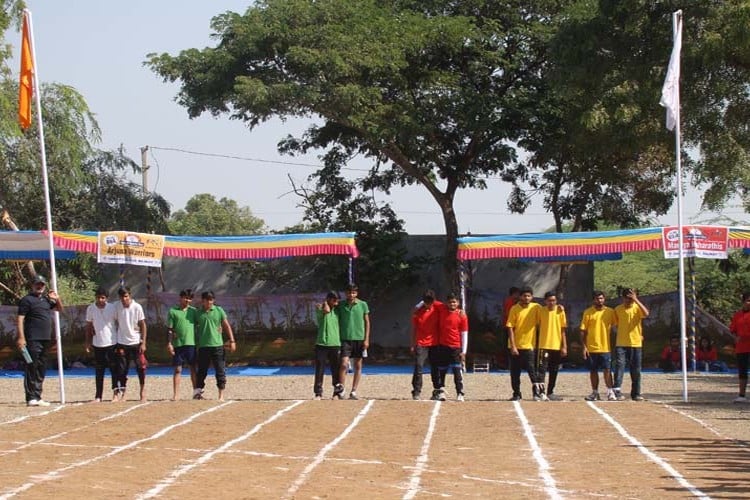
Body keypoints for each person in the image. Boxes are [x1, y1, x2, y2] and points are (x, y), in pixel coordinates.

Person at [16, 275, 64, 406]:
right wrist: (21, 337)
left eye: (42, 284)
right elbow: (20, 319)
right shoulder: (26, 300)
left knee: (42, 367)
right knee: (32, 366)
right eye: (37, 284)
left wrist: (57, 298)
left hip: (45, 338)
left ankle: (38, 395)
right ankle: (30, 397)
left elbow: (60, 309)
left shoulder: (46, 300)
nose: (39, 286)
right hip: (32, 338)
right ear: (32, 285)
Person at [194, 291, 236, 401]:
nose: (209, 302)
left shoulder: (219, 310)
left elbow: (226, 326)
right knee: (202, 371)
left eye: (211, 299)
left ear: (214, 300)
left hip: (218, 346)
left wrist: (232, 341)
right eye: (206, 299)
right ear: (202, 301)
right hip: (203, 346)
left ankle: (221, 395)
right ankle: (198, 393)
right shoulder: (197, 313)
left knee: (220, 370)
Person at [506, 287, 543, 401]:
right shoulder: (514, 308)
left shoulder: (536, 307)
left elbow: (547, 313)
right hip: (516, 346)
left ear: (532, 297)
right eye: (524, 296)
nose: (526, 298)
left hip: (530, 346)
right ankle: (516, 393)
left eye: (529, 296)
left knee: (532, 370)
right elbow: (510, 327)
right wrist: (513, 346)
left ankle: (536, 393)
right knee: (515, 371)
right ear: (520, 297)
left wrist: (559, 308)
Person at [613, 288, 650, 401]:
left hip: (635, 343)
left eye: (631, 298)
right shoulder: (617, 309)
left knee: (636, 370)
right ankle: (617, 391)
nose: (629, 301)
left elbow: (646, 313)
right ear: (623, 298)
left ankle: (636, 393)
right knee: (620, 367)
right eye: (627, 298)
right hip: (621, 343)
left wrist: (636, 300)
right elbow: (616, 325)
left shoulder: (637, 307)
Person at [580, 290, 617, 401]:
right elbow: (583, 330)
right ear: (593, 300)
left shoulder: (610, 312)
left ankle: (610, 392)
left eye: (601, 298)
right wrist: (584, 347)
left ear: (604, 299)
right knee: (593, 371)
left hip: (605, 347)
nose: (599, 300)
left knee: (607, 370)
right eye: (597, 298)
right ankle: (595, 392)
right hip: (591, 348)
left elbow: (617, 327)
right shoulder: (588, 312)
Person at [336, 283, 370, 400]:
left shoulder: (363, 305)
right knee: (344, 364)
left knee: (358, 365)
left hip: (359, 339)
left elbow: (367, 322)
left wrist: (366, 339)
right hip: (345, 339)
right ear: (346, 293)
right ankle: (341, 389)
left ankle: (354, 391)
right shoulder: (341, 305)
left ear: (357, 293)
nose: (351, 294)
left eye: (354, 292)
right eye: (349, 292)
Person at [113, 286, 148, 402]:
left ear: (130, 295)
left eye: (126, 296)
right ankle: (123, 392)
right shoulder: (116, 306)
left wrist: (143, 342)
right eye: (122, 297)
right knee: (122, 369)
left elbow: (143, 324)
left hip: (135, 342)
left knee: (140, 367)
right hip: (122, 342)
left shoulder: (137, 307)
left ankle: (142, 391)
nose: (124, 299)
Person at [433, 293, 469, 402]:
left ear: (458, 303)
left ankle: (460, 392)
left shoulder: (461, 315)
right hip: (443, 346)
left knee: (457, 370)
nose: (452, 304)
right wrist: (418, 306)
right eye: (450, 302)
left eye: (454, 302)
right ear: (446, 303)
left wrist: (464, 351)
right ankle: (441, 391)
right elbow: (429, 300)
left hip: (455, 347)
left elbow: (464, 333)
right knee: (442, 370)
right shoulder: (442, 309)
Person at [84, 287, 117, 402]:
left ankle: (115, 394)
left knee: (114, 369)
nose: (101, 300)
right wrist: (88, 343)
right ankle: (98, 396)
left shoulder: (112, 308)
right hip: (98, 343)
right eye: (98, 297)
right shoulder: (91, 308)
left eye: (103, 298)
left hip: (112, 342)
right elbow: (88, 326)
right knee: (99, 371)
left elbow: (119, 322)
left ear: (106, 298)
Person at [167, 289, 198, 401]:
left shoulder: (194, 311)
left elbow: (203, 322)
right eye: (185, 297)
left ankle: (196, 393)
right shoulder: (173, 311)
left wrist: (218, 327)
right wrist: (170, 343)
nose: (187, 300)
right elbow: (170, 329)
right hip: (178, 344)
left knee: (193, 368)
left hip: (191, 344)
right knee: (178, 369)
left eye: (189, 298)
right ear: (180, 298)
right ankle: (176, 395)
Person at [411, 290, 441, 400]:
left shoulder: (438, 309)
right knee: (419, 366)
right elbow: (414, 328)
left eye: (430, 301)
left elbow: (449, 306)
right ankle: (416, 391)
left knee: (435, 367)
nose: (428, 303)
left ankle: (437, 390)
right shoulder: (418, 312)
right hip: (421, 343)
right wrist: (413, 343)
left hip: (434, 343)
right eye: (426, 301)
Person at [537, 291, 567, 401]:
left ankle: (550, 392)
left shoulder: (560, 312)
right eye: (549, 300)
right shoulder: (540, 311)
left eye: (554, 300)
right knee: (542, 370)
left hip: (556, 345)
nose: (552, 302)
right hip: (544, 345)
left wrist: (564, 346)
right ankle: (541, 392)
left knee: (554, 370)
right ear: (545, 301)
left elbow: (563, 330)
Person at [314, 291, 341, 400]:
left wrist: (333, 304)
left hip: (335, 343)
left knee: (335, 369)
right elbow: (326, 310)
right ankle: (318, 393)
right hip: (322, 343)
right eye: (334, 299)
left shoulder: (338, 311)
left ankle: (336, 392)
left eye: (337, 300)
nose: (336, 302)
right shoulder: (320, 309)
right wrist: (325, 303)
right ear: (328, 299)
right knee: (320, 368)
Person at [729, 292, 750, 403]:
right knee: (742, 371)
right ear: (743, 302)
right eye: (748, 300)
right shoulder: (737, 315)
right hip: (742, 347)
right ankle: (742, 395)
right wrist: (735, 337)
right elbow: (732, 330)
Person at [499, 287, 521, 369]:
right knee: (508, 345)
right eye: (518, 294)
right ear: (514, 293)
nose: (519, 296)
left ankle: (512, 363)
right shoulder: (509, 301)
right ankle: (507, 364)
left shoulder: (515, 302)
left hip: (512, 327)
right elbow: (508, 314)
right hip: (508, 327)